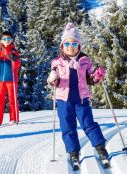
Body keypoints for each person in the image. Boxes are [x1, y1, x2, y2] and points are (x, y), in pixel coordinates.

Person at [47, 22, 109, 165]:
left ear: (79, 46)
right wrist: (52, 79)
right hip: (64, 100)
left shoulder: (84, 61)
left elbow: (91, 79)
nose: (71, 47)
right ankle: (73, 151)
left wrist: (97, 75)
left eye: (74, 44)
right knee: (67, 126)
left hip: (81, 99)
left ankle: (100, 147)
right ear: (62, 46)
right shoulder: (57, 62)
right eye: (67, 44)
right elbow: (53, 79)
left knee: (88, 123)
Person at [0, 31, 21, 126]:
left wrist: (14, 59)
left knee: (12, 100)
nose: (6, 41)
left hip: (11, 79)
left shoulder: (14, 52)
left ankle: (13, 119)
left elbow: (17, 65)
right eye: (4, 39)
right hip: (0, 80)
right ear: (1, 41)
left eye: (8, 39)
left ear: (11, 40)